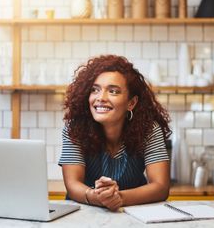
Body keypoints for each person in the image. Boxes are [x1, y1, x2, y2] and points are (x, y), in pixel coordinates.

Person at [59, 55, 172, 211]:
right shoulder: (74, 128)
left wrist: (119, 198)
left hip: (133, 212)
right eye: (95, 90)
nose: (101, 98)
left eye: (113, 91)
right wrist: (94, 196)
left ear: (131, 103)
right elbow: (72, 184)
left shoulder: (149, 130)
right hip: (83, 212)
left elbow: (160, 187)